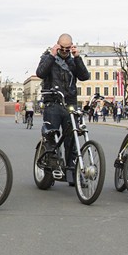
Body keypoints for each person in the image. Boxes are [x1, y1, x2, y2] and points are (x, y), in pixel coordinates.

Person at [36, 33, 90, 181]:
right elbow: (40, 73)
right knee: (51, 137)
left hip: (70, 104)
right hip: (53, 102)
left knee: (71, 139)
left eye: (68, 48)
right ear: (57, 45)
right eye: (63, 48)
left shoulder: (73, 61)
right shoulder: (48, 58)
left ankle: (71, 171)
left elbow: (85, 76)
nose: (65, 51)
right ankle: (49, 170)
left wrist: (77, 57)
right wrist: (52, 55)